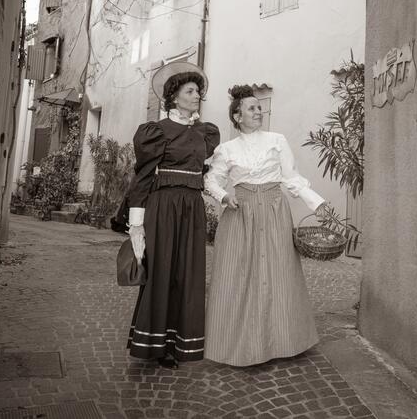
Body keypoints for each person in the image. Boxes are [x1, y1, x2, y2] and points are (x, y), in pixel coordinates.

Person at [203, 85, 327, 366]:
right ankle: (237, 343)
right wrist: (224, 196)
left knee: (279, 273)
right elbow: (211, 180)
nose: (259, 112)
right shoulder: (226, 149)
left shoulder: (277, 140)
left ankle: (282, 341)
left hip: (274, 211)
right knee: (237, 274)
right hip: (241, 214)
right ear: (237, 116)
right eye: (251, 108)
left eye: (260, 108)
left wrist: (316, 203)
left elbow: (290, 176)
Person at [125, 62, 220, 368]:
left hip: (192, 207)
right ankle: (155, 345)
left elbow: (208, 172)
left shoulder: (204, 133)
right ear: (174, 96)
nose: (197, 96)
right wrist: (136, 225)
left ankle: (182, 343)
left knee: (188, 274)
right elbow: (142, 177)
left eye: (198, 92)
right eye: (190, 91)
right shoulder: (155, 132)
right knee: (162, 273)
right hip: (164, 207)